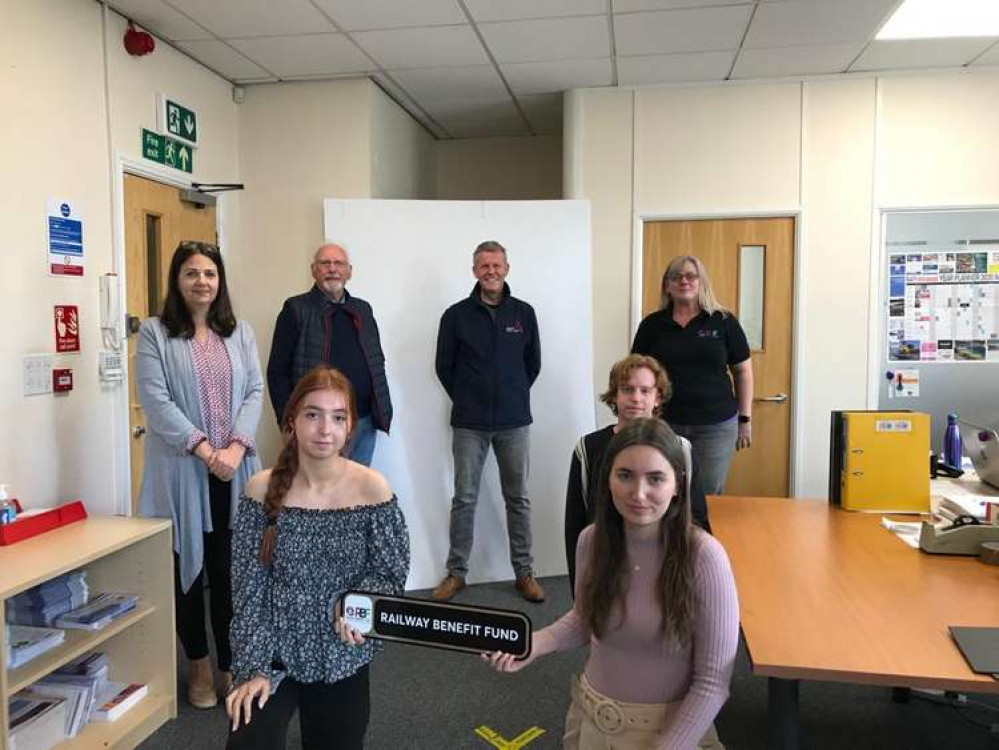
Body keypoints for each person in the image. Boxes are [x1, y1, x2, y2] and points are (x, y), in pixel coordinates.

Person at [486, 418, 739, 750]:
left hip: (670, 736)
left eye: (656, 478)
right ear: (607, 480)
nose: (638, 493)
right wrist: (535, 644)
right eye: (625, 476)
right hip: (590, 720)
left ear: (678, 484)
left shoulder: (705, 557)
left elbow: (712, 684)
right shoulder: (591, 540)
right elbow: (584, 620)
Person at [225, 366, 410, 750]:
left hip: (341, 654)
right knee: (248, 742)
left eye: (338, 417)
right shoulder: (260, 489)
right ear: (292, 419)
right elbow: (247, 592)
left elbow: (389, 575)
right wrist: (252, 669)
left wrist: (360, 606)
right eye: (313, 414)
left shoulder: (372, 488)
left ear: (349, 426)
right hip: (273, 652)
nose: (326, 429)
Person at [136, 241, 263, 709]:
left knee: (231, 574)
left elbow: (254, 390)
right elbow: (156, 401)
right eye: (191, 273)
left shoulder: (240, 332)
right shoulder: (154, 333)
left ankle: (231, 664)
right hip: (182, 475)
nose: (201, 282)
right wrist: (206, 449)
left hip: (234, 472)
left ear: (219, 281)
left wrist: (232, 449)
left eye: (209, 273)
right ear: (177, 280)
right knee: (186, 577)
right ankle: (200, 667)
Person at [432, 240, 544, 603]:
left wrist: (510, 394)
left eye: (497, 265)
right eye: (484, 266)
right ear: (475, 271)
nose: (491, 271)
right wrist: (469, 396)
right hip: (469, 422)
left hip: (514, 422)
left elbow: (532, 364)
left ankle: (524, 573)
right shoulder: (455, 315)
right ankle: (456, 573)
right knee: (464, 498)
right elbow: (443, 367)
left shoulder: (523, 314)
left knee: (519, 498)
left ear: (507, 269)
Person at [565, 354, 711, 593]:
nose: (636, 398)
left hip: (666, 569)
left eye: (645, 390)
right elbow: (575, 526)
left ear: (658, 397)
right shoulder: (587, 450)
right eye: (627, 389)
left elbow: (697, 519)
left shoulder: (681, 450)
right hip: (608, 568)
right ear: (614, 395)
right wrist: (579, 591)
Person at [632, 255, 754, 496]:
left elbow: (743, 371)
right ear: (667, 285)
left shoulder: (724, 321)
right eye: (675, 276)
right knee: (664, 492)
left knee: (706, 496)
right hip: (664, 423)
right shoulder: (652, 325)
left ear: (702, 282)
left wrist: (745, 419)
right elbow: (637, 373)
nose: (683, 281)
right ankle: (670, 536)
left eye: (690, 275)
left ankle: (700, 535)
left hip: (715, 427)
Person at [266, 242, 392, 467]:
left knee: (356, 493)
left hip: (362, 421)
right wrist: (287, 424)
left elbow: (376, 361)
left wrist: (381, 409)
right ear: (314, 270)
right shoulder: (295, 309)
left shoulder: (363, 310)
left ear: (349, 271)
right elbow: (277, 372)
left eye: (339, 263)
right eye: (325, 263)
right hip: (318, 425)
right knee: (320, 494)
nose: (332, 269)